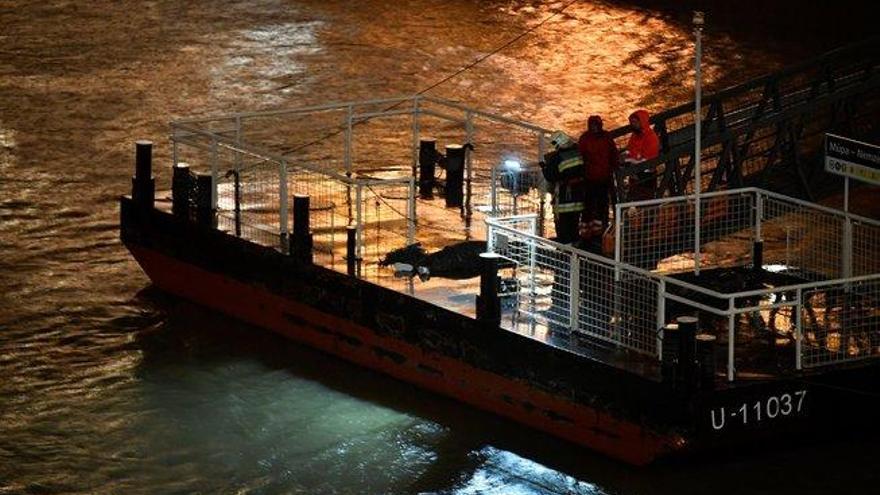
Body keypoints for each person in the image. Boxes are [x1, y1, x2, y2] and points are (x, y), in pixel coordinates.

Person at [540, 130, 585, 244]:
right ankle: (575, 247)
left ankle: (566, 249)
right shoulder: (578, 152)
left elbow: (550, 176)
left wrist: (544, 168)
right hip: (579, 195)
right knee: (575, 224)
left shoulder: (557, 158)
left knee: (564, 226)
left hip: (565, 197)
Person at [578, 115, 619, 229]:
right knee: (589, 204)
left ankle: (601, 227)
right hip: (591, 176)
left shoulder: (604, 137)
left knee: (602, 203)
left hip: (603, 176)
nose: (594, 127)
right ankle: (589, 230)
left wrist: (614, 166)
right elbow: (581, 155)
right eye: (592, 125)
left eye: (596, 125)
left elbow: (613, 153)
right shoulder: (586, 138)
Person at [622, 109, 660, 201]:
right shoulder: (634, 136)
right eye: (631, 122)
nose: (632, 125)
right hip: (635, 176)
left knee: (646, 204)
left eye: (635, 122)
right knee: (636, 202)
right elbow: (629, 150)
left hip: (646, 176)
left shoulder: (651, 137)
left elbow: (646, 160)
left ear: (642, 122)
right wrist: (624, 156)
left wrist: (627, 160)